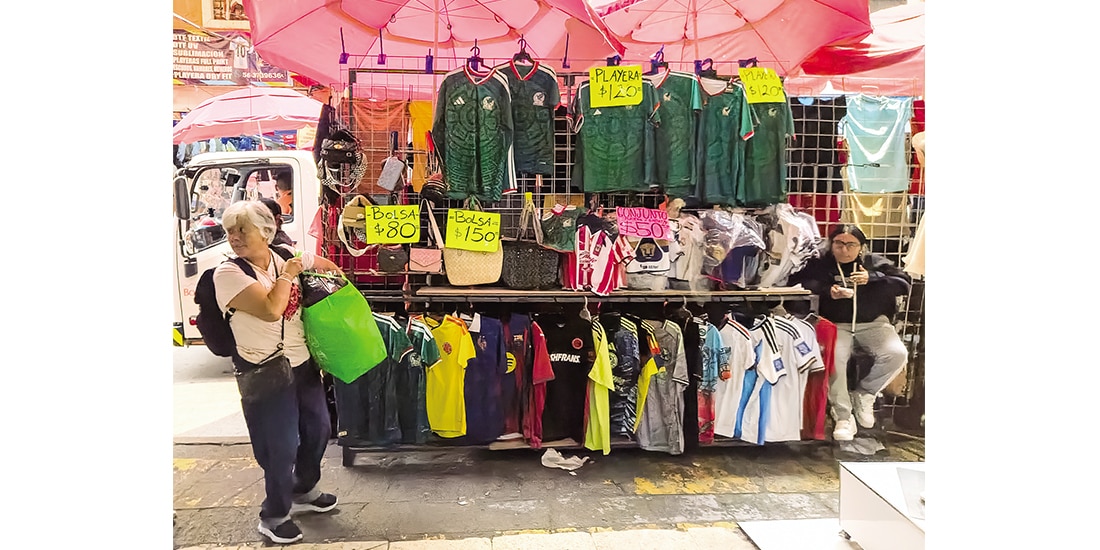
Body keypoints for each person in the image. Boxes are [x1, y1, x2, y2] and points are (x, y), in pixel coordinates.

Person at [213, 201, 344, 544]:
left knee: (319, 430)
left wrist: (332, 277)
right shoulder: (229, 273)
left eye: (243, 229)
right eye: (230, 231)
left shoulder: (284, 253)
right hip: (263, 367)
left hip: (301, 361)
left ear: (266, 232)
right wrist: (288, 274)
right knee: (280, 444)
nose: (235, 237)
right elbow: (272, 309)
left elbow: (328, 268)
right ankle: (274, 514)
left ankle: (303, 488)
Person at [787, 224, 911, 441]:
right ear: (832, 243)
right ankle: (843, 414)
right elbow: (798, 281)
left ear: (861, 247)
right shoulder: (821, 263)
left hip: (874, 323)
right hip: (837, 324)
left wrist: (872, 278)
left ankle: (864, 394)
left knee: (897, 353)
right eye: (839, 244)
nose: (844, 250)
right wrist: (827, 290)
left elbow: (904, 283)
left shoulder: (873, 262)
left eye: (851, 245)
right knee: (835, 358)